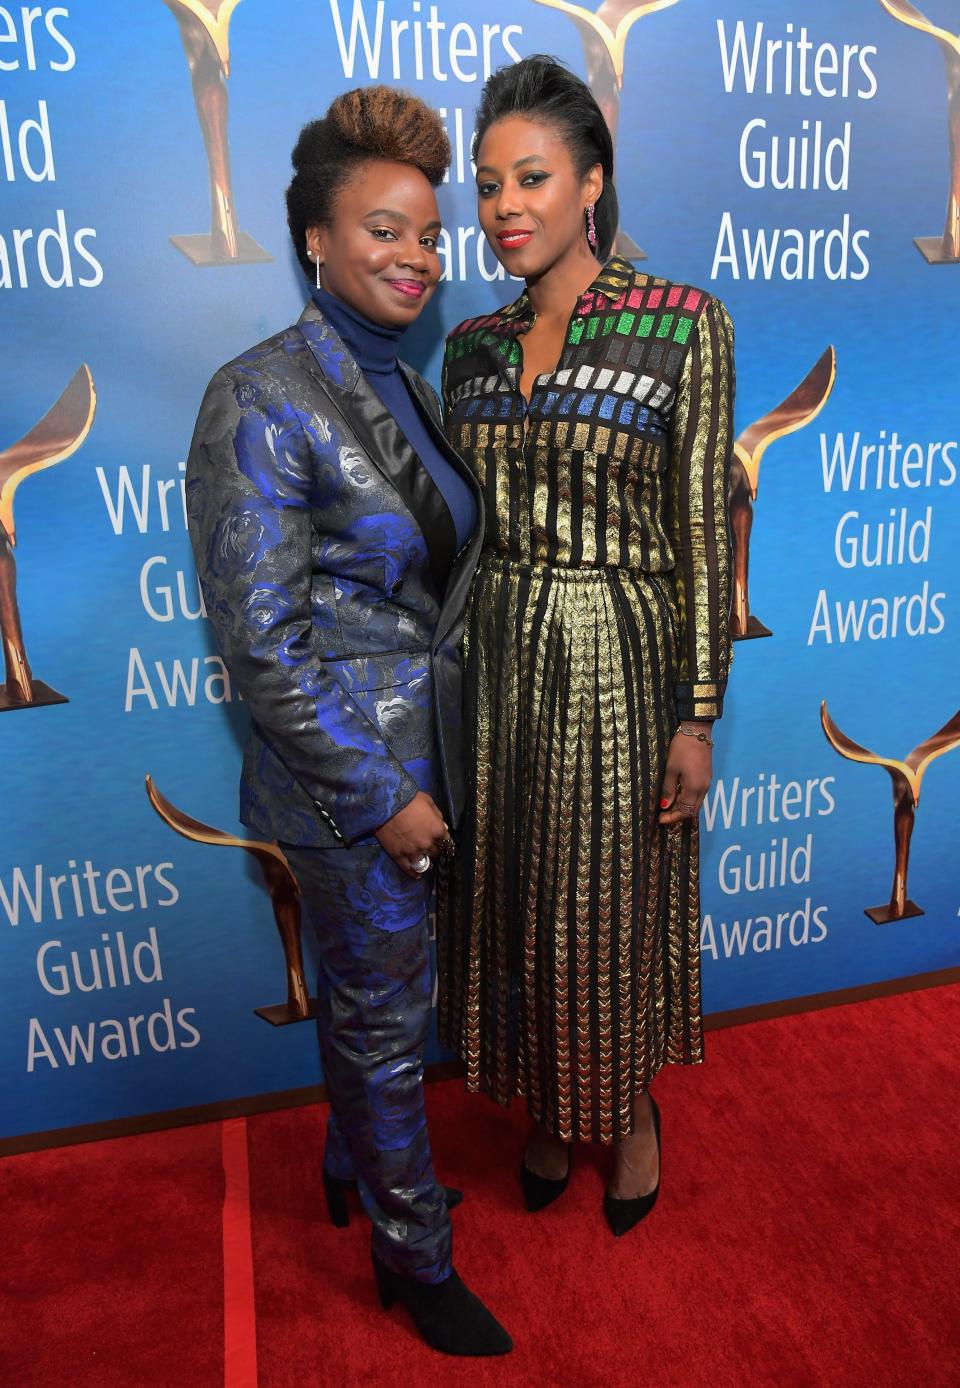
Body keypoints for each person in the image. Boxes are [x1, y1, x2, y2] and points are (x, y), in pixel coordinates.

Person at [186, 86, 511, 1357]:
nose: (417, 257)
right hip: (351, 788)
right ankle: (411, 1253)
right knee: (382, 1022)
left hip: (429, 756)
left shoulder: (403, 379)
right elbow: (261, 646)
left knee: (379, 1008)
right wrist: (384, 794)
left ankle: (348, 1163)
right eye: (385, 230)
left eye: (431, 235)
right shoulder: (259, 394)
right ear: (315, 238)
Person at [437, 56, 735, 1236]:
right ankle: (548, 1112)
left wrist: (697, 710)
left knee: (607, 904)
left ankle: (633, 1111)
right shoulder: (467, 347)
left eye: (533, 178)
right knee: (513, 897)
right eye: (488, 183)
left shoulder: (684, 324)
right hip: (498, 663)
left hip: (620, 660)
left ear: (592, 182)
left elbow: (707, 527)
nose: (505, 205)